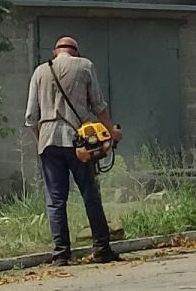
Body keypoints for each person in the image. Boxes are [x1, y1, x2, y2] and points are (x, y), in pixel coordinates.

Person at [25, 36, 123, 265]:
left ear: (55, 52)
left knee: (55, 200)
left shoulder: (39, 72)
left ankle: (61, 254)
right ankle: (101, 249)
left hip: (48, 143)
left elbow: (31, 117)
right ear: (76, 52)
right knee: (90, 195)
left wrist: (42, 141)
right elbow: (98, 106)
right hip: (80, 143)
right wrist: (111, 132)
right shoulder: (85, 66)